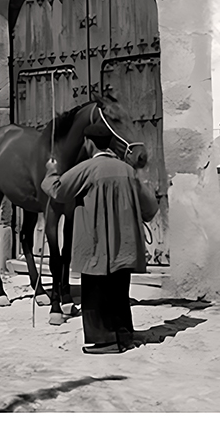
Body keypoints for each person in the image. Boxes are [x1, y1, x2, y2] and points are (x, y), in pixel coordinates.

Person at [42, 122, 159, 354]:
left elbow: (58, 190)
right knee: (119, 292)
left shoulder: (87, 169)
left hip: (96, 243)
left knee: (94, 294)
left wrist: (50, 171)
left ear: (89, 143)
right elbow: (149, 207)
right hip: (123, 245)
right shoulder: (127, 170)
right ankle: (124, 336)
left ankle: (104, 341)